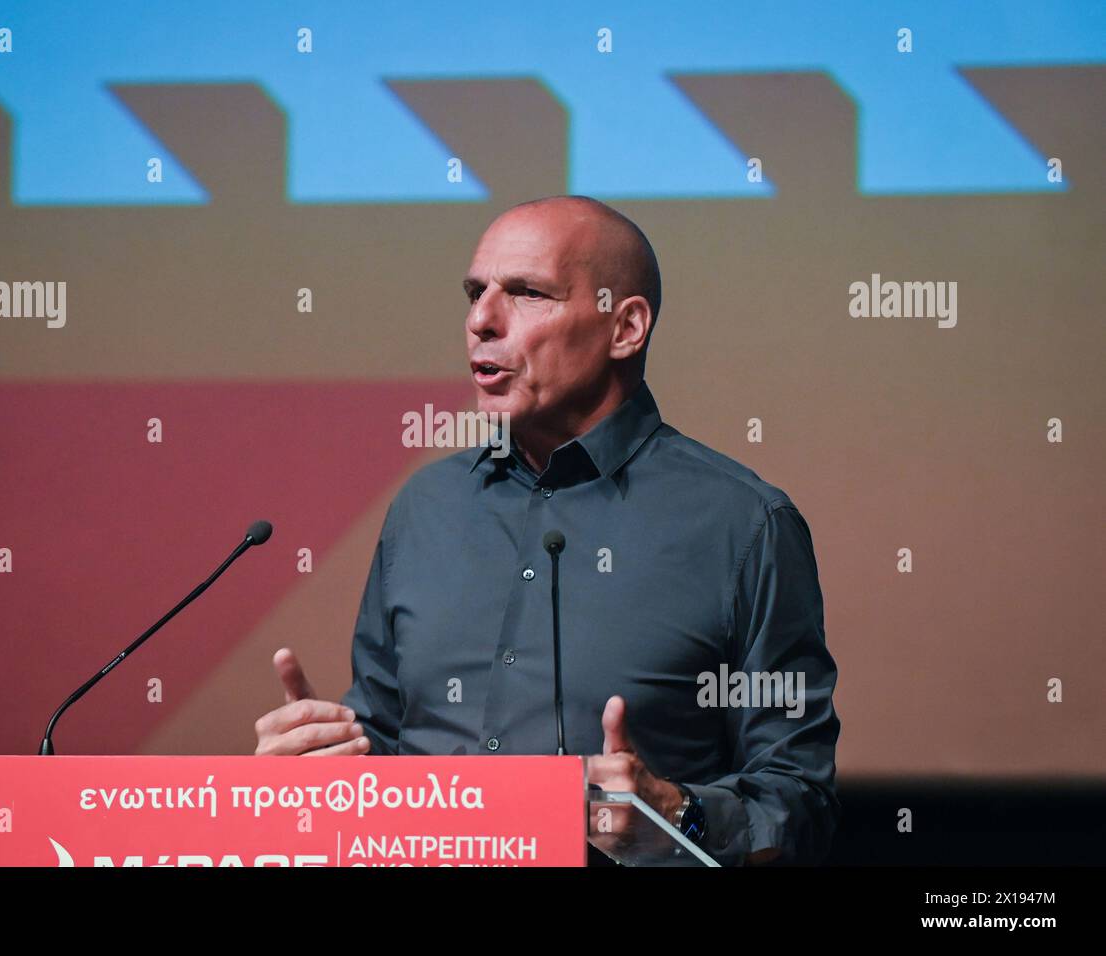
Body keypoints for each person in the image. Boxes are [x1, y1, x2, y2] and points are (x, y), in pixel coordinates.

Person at [253, 195, 840, 865]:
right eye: (475, 293)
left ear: (626, 328)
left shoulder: (745, 527)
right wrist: (321, 764)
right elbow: (384, 740)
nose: (480, 320)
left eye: (527, 293)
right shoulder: (427, 507)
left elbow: (799, 806)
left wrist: (679, 815)